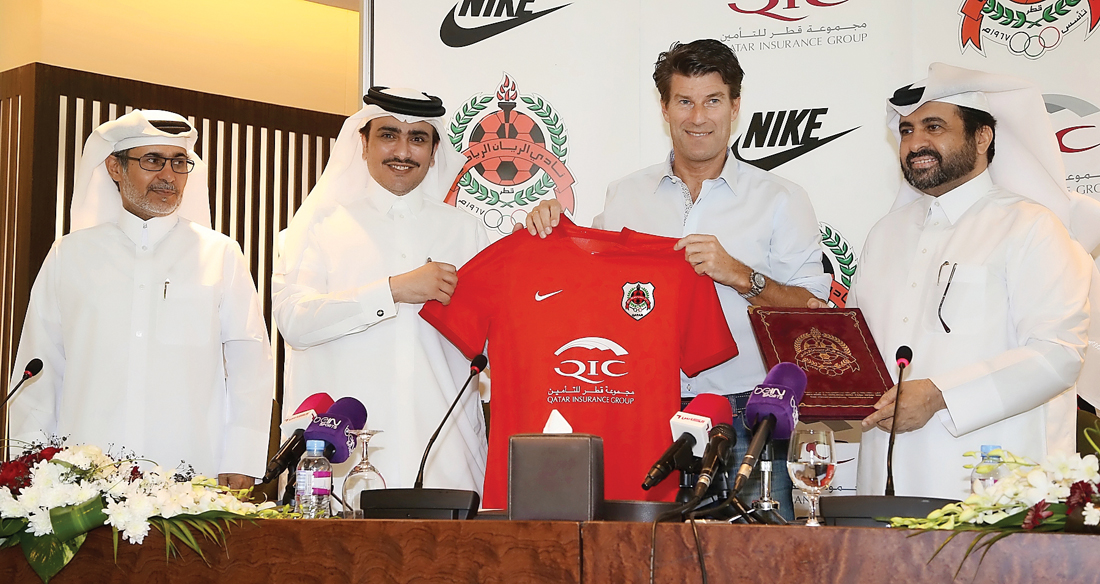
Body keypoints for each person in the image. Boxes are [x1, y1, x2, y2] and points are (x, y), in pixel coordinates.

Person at [523, 39, 830, 517]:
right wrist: (549, 224)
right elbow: (581, 274)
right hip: (640, 404)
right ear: (664, 108)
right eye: (684, 101)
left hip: (747, 410)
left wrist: (740, 276)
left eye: (712, 101)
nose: (698, 117)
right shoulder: (625, 195)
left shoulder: (781, 198)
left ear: (735, 105)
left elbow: (813, 315)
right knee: (644, 556)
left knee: (758, 559)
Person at [846, 63, 1099, 499]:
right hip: (883, 481)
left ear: (983, 137)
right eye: (906, 130)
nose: (915, 143)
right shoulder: (884, 234)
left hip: (990, 488)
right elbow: (862, 348)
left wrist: (942, 395)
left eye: (934, 126)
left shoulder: (1031, 226)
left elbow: (1058, 355)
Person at [8, 110, 274, 489]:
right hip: (82, 479)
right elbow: (40, 367)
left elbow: (250, 366)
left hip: (190, 473)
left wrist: (242, 458)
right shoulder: (70, 254)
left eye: (179, 162)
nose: (168, 175)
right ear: (115, 167)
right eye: (152, 160)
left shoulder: (220, 254)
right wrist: (27, 466)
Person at [271, 87, 489, 497]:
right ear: (364, 142)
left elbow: (493, 341)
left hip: (445, 452)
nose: (402, 151)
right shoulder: (319, 224)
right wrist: (392, 291)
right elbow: (294, 321)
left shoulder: (466, 230)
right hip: (340, 454)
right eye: (389, 135)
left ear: (434, 149)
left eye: (418, 138)